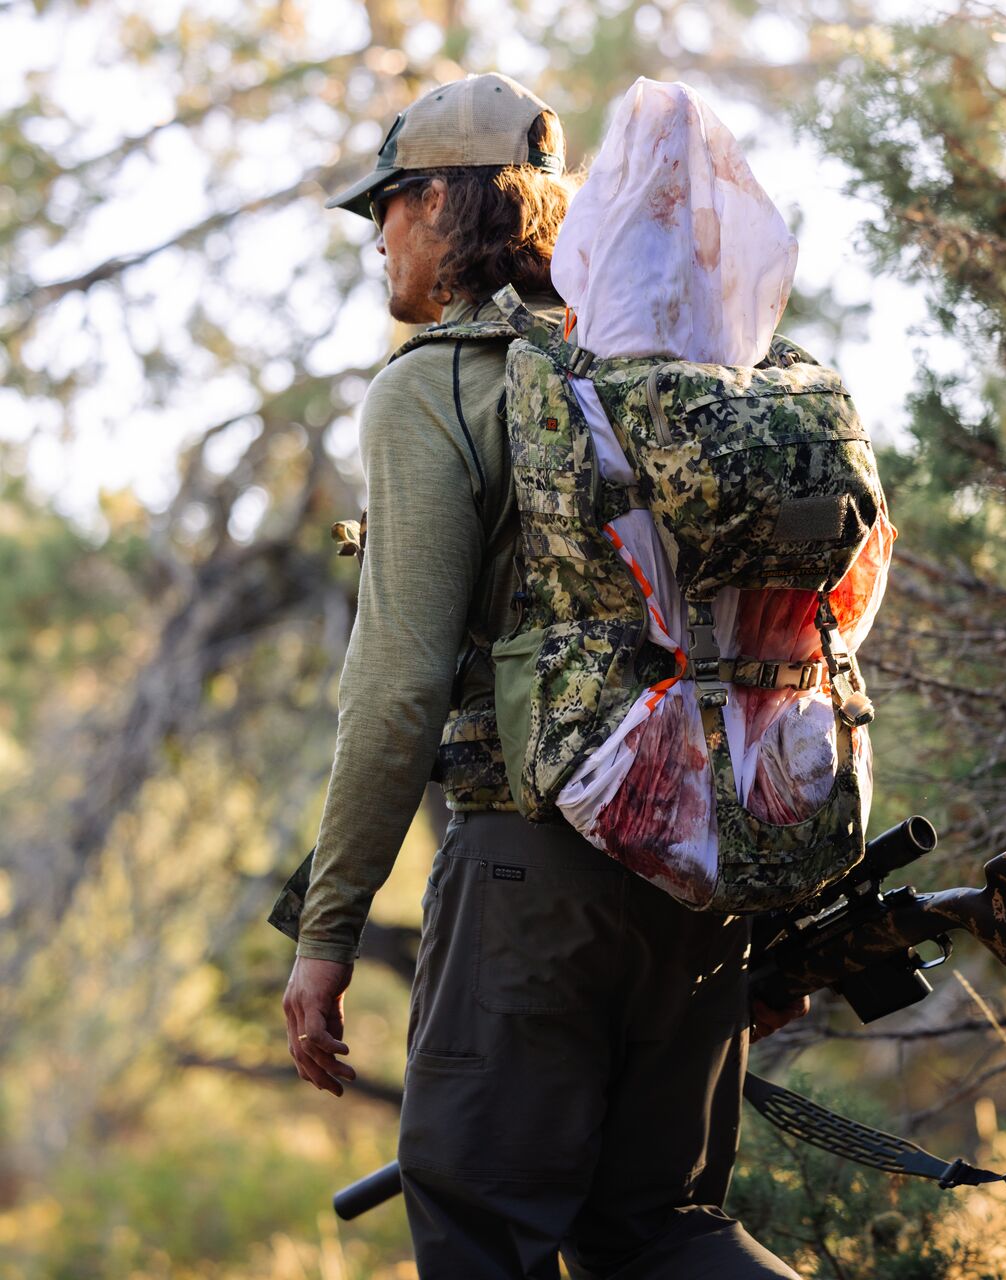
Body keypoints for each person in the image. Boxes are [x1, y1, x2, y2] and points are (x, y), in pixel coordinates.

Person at [281, 71, 804, 1279]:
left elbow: (400, 682)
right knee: (660, 1228)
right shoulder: (653, 370)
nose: (377, 239)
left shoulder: (433, 387)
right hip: (694, 864)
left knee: (481, 1233)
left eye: (388, 206)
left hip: (533, 865)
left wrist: (327, 930)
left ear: (444, 206)